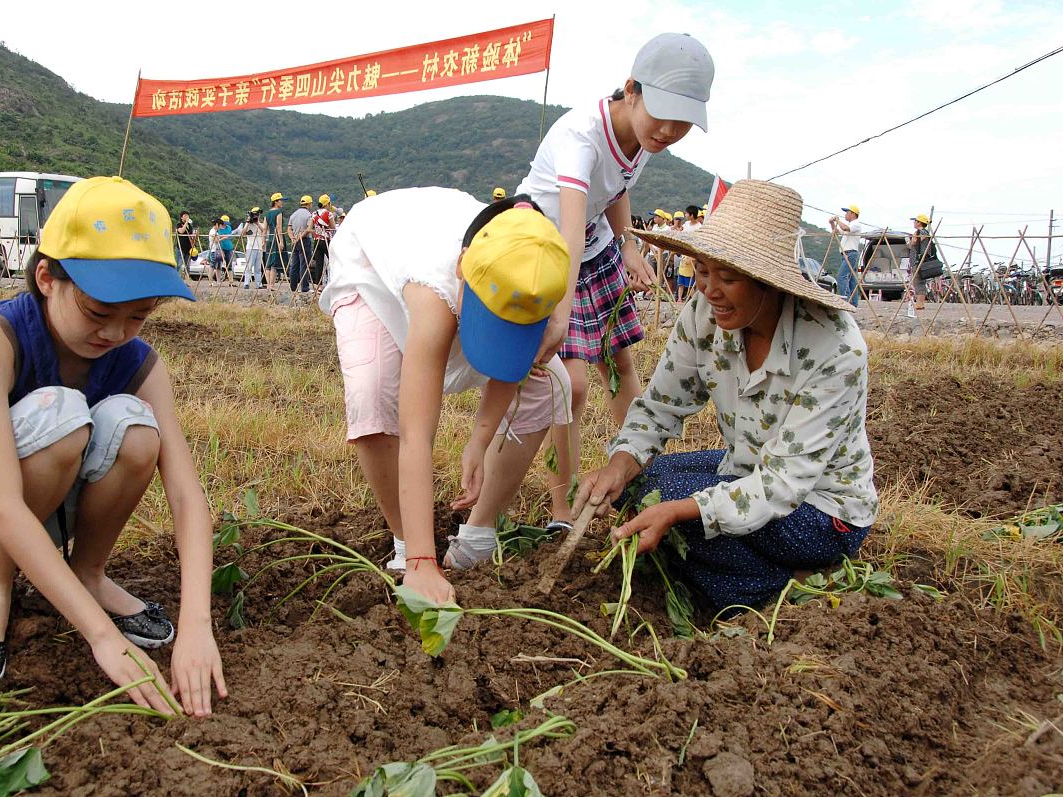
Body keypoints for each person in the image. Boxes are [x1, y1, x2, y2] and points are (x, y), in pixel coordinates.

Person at [0, 176, 226, 715]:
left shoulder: (139, 363)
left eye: (138, 316)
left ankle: (86, 574)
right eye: (98, 312)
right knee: (61, 411)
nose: (116, 333)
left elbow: (187, 497)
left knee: (138, 428)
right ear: (47, 277)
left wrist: (196, 626)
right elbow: (2, 504)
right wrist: (102, 637)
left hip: (42, 518)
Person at [573, 180, 877, 613]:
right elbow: (660, 406)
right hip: (742, 470)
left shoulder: (835, 348)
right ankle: (732, 566)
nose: (709, 290)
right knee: (637, 487)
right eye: (701, 271)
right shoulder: (704, 314)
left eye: (728, 278)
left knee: (674, 510)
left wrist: (680, 511)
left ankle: (786, 583)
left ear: (769, 282)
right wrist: (618, 468)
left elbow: (781, 485)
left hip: (820, 509)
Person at [319, 188, 573, 602]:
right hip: (372, 264)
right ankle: (406, 545)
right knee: (372, 391)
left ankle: (477, 535)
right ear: (462, 269)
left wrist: (480, 439)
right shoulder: (434, 290)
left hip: (456, 260)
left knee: (548, 382)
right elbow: (416, 433)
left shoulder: (536, 277)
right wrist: (423, 561)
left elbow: (514, 364)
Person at [515, 32, 715, 535]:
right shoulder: (581, 138)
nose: (669, 131)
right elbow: (568, 231)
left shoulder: (645, 139)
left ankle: (639, 481)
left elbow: (616, 188)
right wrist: (559, 314)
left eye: (683, 123)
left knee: (620, 366)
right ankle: (563, 509)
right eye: (662, 115)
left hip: (595, 245)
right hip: (549, 251)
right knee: (570, 386)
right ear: (631, 89)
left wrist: (628, 244)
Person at [829, 204, 864, 306]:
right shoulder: (849, 224)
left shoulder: (856, 224)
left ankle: (846, 300)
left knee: (842, 277)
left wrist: (838, 220)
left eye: (847, 212)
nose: (845, 214)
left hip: (850, 254)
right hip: (846, 254)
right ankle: (854, 303)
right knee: (852, 279)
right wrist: (832, 223)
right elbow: (836, 231)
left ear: (853, 214)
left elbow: (845, 228)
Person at [906, 213, 935, 310]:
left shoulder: (920, 232)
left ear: (919, 222)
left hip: (918, 260)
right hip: (918, 260)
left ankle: (920, 303)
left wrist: (911, 240)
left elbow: (914, 243)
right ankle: (920, 303)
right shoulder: (924, 232)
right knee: (919, 282)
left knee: (918, 282)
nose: (914, 223)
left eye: (915, 221)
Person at [309, 194, 337, 289]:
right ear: (327, 204)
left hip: (317, 241)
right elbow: (333, 228)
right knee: (333, 261)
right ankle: (334, 281)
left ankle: (318, 286)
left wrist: (316, 233)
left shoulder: (314, 214)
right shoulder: (329, 214)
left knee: (319, 264)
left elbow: (309, 228)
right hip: (326, 240)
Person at [288, 196, 314, 293]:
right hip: (304, 240)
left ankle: (293, 287)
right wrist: (300, 237)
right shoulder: (309, 215)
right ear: (309, 204)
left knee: (294, 265)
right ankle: (305, 287)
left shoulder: (293, 214)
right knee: (304, 264)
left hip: (294, 241)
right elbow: (308, 229)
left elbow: (289, 229)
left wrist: (293, 238)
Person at [239, 209, 266, 289]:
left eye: (257, 215)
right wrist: (248, 221)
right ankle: (246, 283)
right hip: (251, 247)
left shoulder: (260, 224)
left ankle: (259, 284)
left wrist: (257, 223)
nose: (256, 217)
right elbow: (243, 233)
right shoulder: (248, 224)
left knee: (258, 268)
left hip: (259, 248)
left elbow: (264, 230)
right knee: (249, 266)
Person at [264, 193, 287, 287]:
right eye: (281, 200)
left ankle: (268, 285)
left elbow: (265, 229)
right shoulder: (278, 212)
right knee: (274, 263)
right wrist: (281, 241)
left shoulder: (267, 214)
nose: (282, 202)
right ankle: (272, 285)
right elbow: (279, 227)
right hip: (276, 237)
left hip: (269, 238)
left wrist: (263, 241)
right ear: (276, 202)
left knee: (268, 263)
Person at [174, 211, 197, 276]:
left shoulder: (190, 226)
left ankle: (186, 279)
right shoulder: (179, 224)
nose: (187, 217)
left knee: (187, 266)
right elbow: (181, 231)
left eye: (187, 215)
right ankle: (176, 278)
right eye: (185, 215)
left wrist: (194, 235)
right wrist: (186, 222)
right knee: (179, 264)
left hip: (188, 249)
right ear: (181, 217)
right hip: (181, 248)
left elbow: (191, 236)